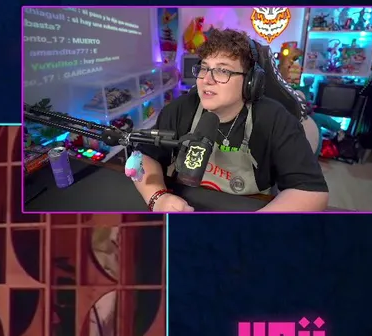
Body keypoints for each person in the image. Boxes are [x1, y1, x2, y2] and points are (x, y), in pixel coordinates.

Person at [135, 28, 328, 212]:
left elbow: (311, 192)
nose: (206, 80)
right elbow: (145, 156)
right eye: (204, 68)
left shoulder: (275, 119)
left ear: (250, 82)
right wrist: (158, 198)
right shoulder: (181, 108)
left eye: (222, 71)